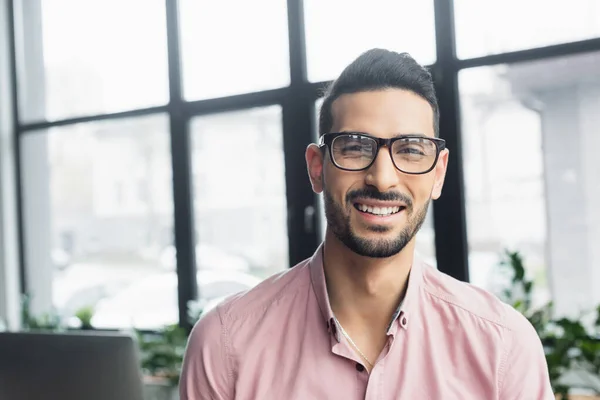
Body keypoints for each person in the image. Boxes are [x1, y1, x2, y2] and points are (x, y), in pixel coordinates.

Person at [179, 49, 554, 399]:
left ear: (438, 174)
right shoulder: (225, 345)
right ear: (316, 168)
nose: (383, 178)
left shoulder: (503, 346)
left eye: (410, 150)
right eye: (356, 147)